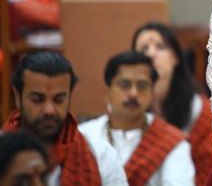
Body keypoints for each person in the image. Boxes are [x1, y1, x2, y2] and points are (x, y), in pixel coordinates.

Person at [3, 51, 128, 186]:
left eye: (59, 100)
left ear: (69, 97)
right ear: (17, 97)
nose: (49, 110)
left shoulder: (102, 156)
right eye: (37, 99)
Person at [79, 51, 195, 186]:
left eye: (142, 86)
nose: (134, 93)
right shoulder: (84, 136)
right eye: (125, 84)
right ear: (107, 91)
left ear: (151, 93)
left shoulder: (170, 141)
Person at [131, 22, 212, 185]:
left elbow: (209, 173)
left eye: (160, 47)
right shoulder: (125, 110)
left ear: (176, 57)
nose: (151, 54)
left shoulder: (199, 111)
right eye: (143, 49)